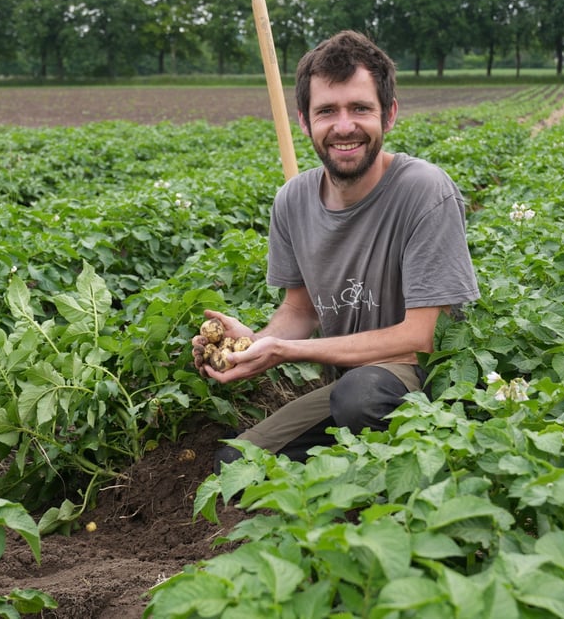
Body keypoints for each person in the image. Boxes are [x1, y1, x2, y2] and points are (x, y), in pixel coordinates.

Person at [192, 30, 480, 470]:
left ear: (389, 116)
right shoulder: (293, 200)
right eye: (327, 111)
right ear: (306, 122)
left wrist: (287, 352)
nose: (344, 126)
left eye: (360, 108)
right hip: (347, 384)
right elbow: (300, 310)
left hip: (419, 378)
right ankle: (344, 469)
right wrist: (254, 342)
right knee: (234, 464)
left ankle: (402, 474)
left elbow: (423, 338)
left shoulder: (424, 191)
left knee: (360, 398)